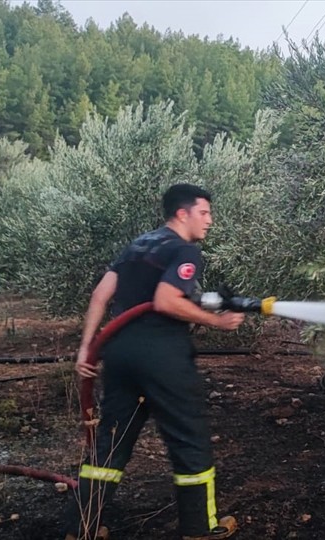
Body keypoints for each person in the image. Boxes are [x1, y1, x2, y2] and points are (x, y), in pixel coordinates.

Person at [62, 183, 245, 540]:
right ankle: (200, 528)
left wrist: (87, 347)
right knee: (189, 440)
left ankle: (81, 528)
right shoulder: (186, 250)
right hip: (162, 355)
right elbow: (164, 300)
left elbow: (101, 293)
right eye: (204, 213)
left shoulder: (139, 245)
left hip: (119, 352)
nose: (209, 221)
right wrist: (218, 322)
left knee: (110, 443)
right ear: (183, 213)